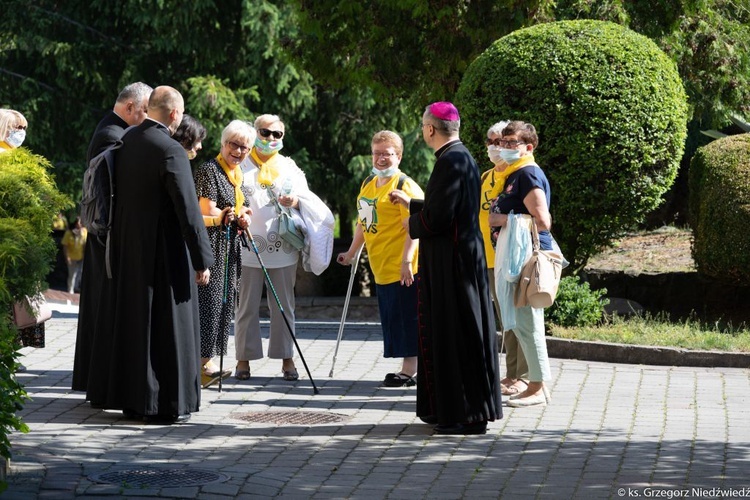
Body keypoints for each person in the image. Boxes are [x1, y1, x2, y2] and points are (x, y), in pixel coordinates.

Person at [389, 102, 501, 435]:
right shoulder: (460, 156)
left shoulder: (451, 161)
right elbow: (447, 206)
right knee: (462, 334)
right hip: (460, 256)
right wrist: (414, 204)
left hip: (453, 264)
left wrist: (412, 221)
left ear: (429, 129)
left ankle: (463, 414)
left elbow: (439, 218)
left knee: (456, 335)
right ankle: (456, 411)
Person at [103, 85, 213, 423]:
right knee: (167, 328)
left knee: (138, 325)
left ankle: (135, 399)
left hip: (130, 247)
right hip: (165, 252)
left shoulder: (127, 141)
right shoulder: (171, 150)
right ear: (176, 115)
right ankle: (165, 403)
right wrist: (202, 259)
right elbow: (188, 211)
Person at [72, 82, 153, 398]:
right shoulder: (113, 135)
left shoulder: (114, 129)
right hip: (106, 237)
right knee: (103, 311)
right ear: (131, 107)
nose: (146, 118)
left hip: (104, 235)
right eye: (145, 111)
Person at [337, 131, 423, 387]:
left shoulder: (404, 185)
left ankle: (411, 370)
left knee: (407, 317)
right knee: (393, 316)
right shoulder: (368, 184)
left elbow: (416, 226)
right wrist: (352, 253)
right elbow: (364, 223)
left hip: (404, 266)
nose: (381, 159)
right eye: (377, 153)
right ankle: (407, 367)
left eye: (387, 154)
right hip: (380, 264)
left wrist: (407, 261)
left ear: (399, 156)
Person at [234, 114, 306, 381]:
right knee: (246, 306)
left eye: (277, 134)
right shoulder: (240, 165)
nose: (270, 139)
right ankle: (243, 359)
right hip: (248, 246)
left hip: (283, 247)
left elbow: (306, 200)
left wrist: (295, 200)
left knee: (284, 306)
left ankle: (287, 359)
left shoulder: (289, 166)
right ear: (255, 133)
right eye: (265, 133)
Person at [488, 120, 553, 408]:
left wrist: (504, 220)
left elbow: (542, 220)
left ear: (528, 147)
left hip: (525, 259)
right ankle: (536, 386)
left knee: (528, 324)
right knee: (523, 325)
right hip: (514, 256)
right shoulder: (516, 173)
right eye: (503, 142)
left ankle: (537, 387)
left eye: (512, 143)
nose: (505, 147)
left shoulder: (528, 174)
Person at [194, 120, 253, 387]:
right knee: (210, 303)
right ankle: (202, 363)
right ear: (223, 143)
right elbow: (206, 210)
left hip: (230, 246)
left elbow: (244, 207)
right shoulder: (210, 170)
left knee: (224, 304)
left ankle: (210, 360)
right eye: (234, 145)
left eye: (244, 148)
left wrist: (244, 216)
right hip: (211, 244)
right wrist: (228, 215)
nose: (239, 151)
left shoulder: (237, 175)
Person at [481, 121, 529, 397]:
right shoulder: (487, 177)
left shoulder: (518, 175)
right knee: (505, 319)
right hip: (488, 258)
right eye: (491, 141)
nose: (495, 147)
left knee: (517, 316)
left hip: (513, 256)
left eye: (500, 141)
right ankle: (511, 373)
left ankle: (520, 376)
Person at [0, 108, 44, 367]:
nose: (21, 134)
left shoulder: (15, 156)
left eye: (23, 129)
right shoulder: (7, 158)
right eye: (17, 128)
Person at [61, 217, 87, 293]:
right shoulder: (69, 233)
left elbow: (85, 243)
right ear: (75, 223)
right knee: (72, 274)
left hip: (81, 257)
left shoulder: (84, 231)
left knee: (80, 273)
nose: (81, 224)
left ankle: (76, 287)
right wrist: (67, 257)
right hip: (72, 257)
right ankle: (70, 290)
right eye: (79, 222)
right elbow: (65, 246)